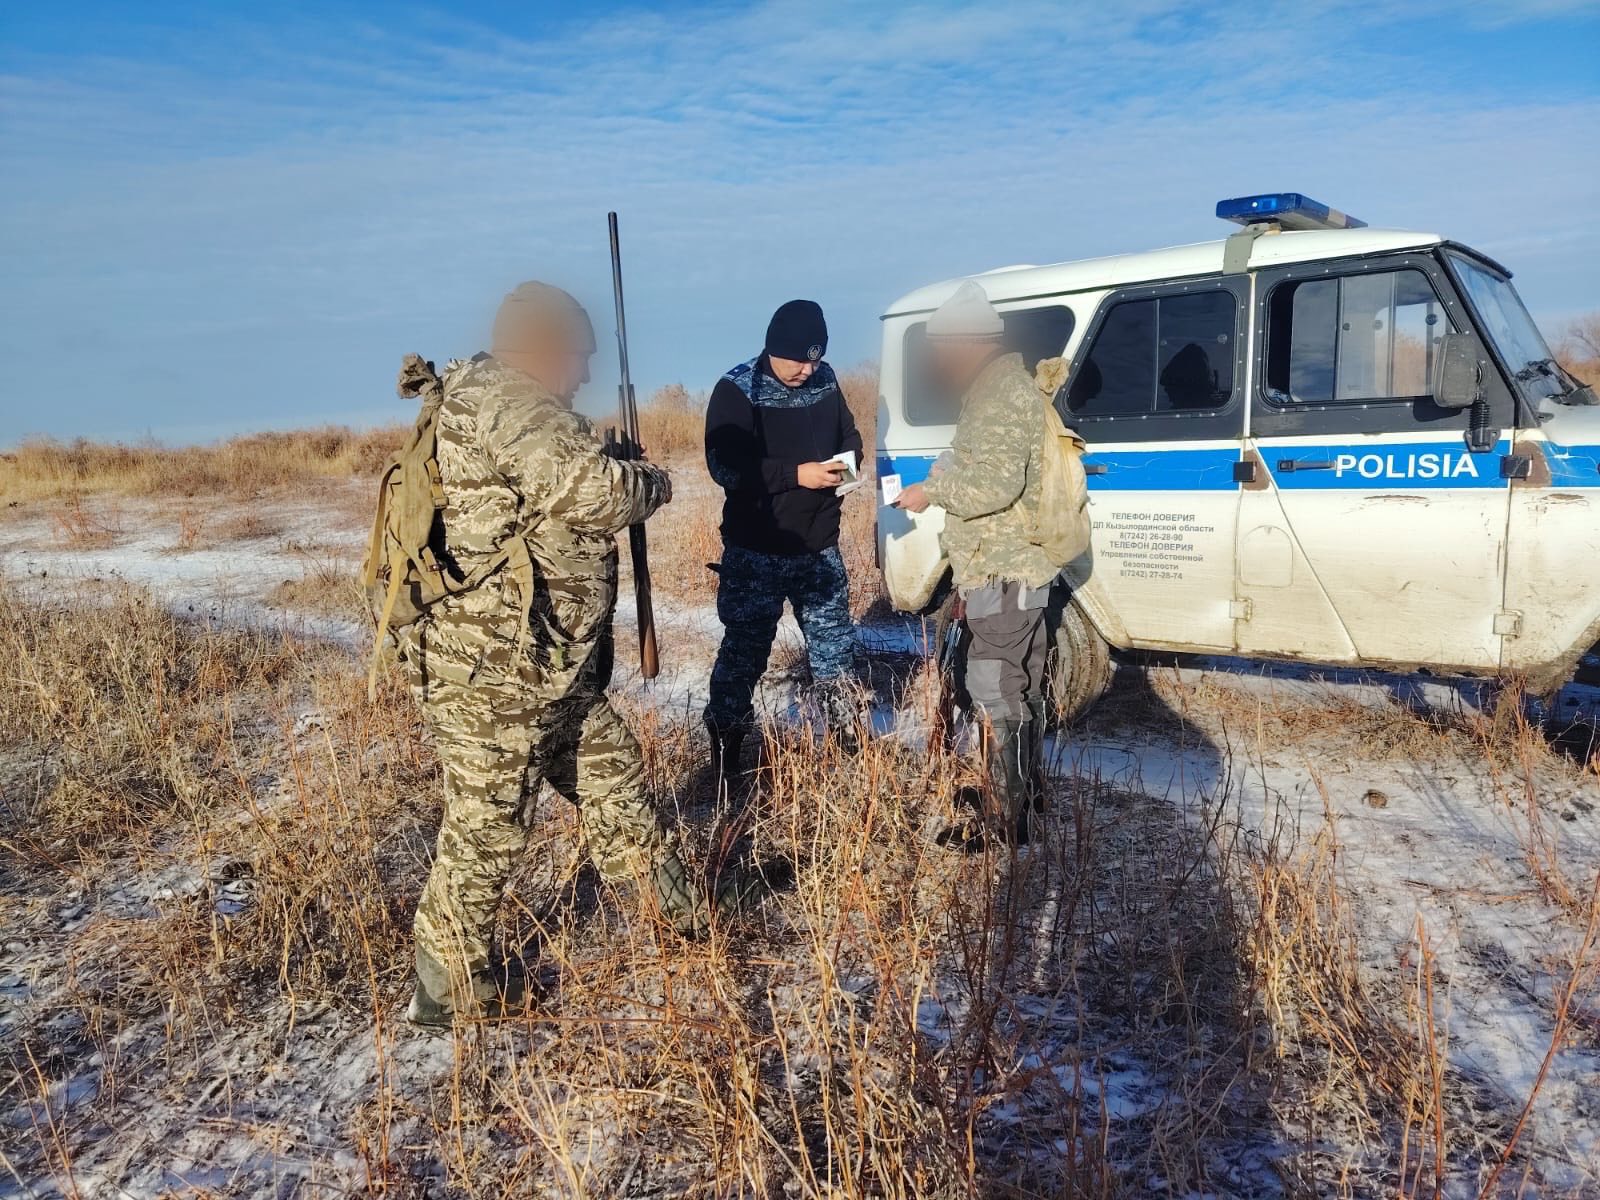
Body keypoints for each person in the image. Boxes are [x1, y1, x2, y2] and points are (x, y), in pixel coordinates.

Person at [398, 281, 705, 1026]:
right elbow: (593, 494)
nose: (584, 374)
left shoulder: (493, 398)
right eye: (578, 356)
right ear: (545, 348)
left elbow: (545, 487)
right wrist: (648, 480)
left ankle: (670, 908)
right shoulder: (507, 397)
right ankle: (448, 987)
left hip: (542, 665)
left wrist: (607, 462)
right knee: (488, 821)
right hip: (496, 673)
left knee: (609, 769)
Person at [894, 280, 1062, 850]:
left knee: (994, 687)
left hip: (1004, 571)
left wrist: (932, 488)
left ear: (967, 344)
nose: (940, 362)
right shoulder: (1003, 390)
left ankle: (1004, 818)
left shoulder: (999, 395)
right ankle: (1023, 798)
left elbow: (994, 483)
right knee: (1020, 686)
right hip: (1013, 569)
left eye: (942, 350)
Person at [702, 299, 864, 782]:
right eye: (798, 359)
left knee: (836, 652)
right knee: (744, 651)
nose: (806, 369)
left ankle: (849, 747)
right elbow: (725, 467)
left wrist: (848, 466)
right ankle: (727, 748)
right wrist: (798, 474)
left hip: (819, 548)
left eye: (815, 358)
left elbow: (850, 434)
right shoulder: (737, 388)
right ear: (774, 348)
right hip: (757, 550)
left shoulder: (826, 379)